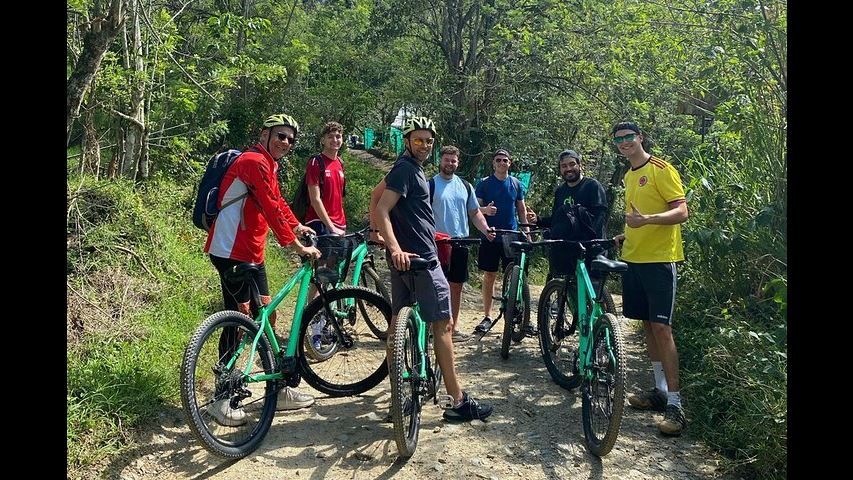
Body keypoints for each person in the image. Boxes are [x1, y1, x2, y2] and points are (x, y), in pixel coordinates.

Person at [369, 116, 493, 422]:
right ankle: (458, 401)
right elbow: (383, 207)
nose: (424, 145)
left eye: (429, 141)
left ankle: (401, 395)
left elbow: (375, 197)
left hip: (410, 256)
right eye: (419, 140)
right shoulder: (406, 169)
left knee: (400, 324)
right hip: (421, 260)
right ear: (407, 140)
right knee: (443, 325)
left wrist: (381, 236)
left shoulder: (408, 169)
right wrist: (394, 245)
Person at [204, 113, 322, 425]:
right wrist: (297, 246)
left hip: (251, 253)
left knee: (265, 316)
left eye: (290, 139)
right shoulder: (253, 161)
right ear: (265, 133)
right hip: (230, 252)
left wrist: (297, 226)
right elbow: (270, 209)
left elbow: (277, 202)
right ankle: (221, 397)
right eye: (280, 135)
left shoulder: (269, 165)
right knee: (238, 319)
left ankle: (277, 388)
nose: (286, 142)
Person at [611, 121, 689, 436]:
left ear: (640, 138)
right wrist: (626, 233)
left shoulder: (661, 169)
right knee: (646, 325)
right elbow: (637, 218)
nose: (625, 142)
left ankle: (676, 404)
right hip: (634, 259)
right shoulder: (628, 175)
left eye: (629, 137)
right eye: (619, 139)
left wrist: (647, 221)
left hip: (660, 261)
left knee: (662, 328)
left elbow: (681, 211)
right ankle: (658, 391)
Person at [429, 145, 495, 342]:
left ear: (458, 163)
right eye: (447, 160)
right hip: (438, 242)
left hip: (460, 242)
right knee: (435, 286)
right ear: (440, 161)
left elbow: (474, 213)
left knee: (456, 286)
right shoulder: (430, 185)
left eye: (453, 160)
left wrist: (486, 230)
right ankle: (433, 328)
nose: (450, 163)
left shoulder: (466, 186)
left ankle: (452, 328)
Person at [527, 149, 608, 283]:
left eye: (572, 164)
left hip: (591, 249)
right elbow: (557, 220)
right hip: (568, 250)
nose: (568, 169)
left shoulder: (592, 186)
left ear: (579, 165)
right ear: (560, 169)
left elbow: (599, 218)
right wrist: (538, 220)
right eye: (564, 166)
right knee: (566, 293)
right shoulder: (560, 191)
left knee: (593, 297)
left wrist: (590, 242)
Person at [473, 149, 529, 333]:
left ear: (509, 163)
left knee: (515, 275)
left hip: (510, 235)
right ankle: (487, 315)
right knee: (489, 275)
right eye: (498, 160)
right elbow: (474, 209)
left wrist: (526, 230)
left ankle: (515, 311)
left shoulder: (516, 184)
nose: (502, 162)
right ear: (493, 163)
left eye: (505, 160)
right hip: (490, 235)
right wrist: (485, 211)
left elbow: (521, 209)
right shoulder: (484, 184)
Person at [304, 121, 347, 236]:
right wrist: (331, 227)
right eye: (330, 137)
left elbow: (338, 198)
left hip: (339, 224)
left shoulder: (340, 163)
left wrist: (341, 224)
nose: (335, 140)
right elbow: (315, 199)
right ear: (323, 140)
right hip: (320, 223)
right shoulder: (316, 162)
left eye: (338, 136)